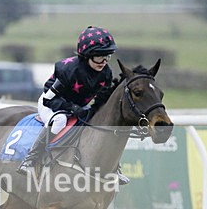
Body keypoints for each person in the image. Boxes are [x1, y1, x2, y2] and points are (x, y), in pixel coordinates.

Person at [17, 25, 128, 184]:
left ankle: (114, 168)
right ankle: (30, 159)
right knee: (60, 120)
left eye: (107, 56)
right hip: (52, 103)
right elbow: (49, 99)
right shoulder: (69, 70)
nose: (103, 62)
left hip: (78, 106)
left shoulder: (106, 73)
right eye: (99, 57)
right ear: (86, 55)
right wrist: (73, 109)